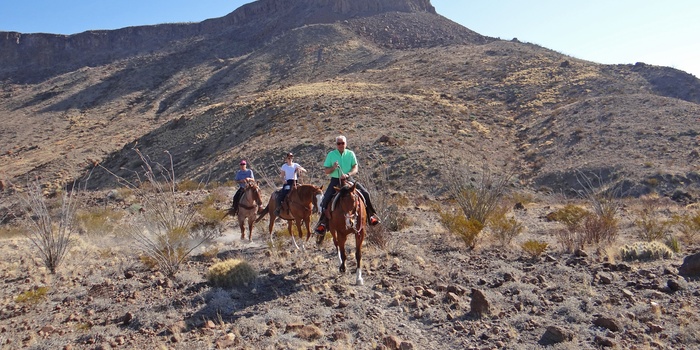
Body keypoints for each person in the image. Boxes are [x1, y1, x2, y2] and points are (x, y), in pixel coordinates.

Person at [315, 135, 380, 235]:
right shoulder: (331, 154)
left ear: (346, 144)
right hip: (335, 180)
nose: (341, 145)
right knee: (325, 199)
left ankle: (371, 216)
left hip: (348, 178)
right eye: (338, 143)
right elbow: (326, 171)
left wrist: (348, 174)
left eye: (342, 143)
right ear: (336, 145)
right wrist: (333, 167)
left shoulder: (350, 154)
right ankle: (322, 223)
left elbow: (355, 168)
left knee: (365, 193)